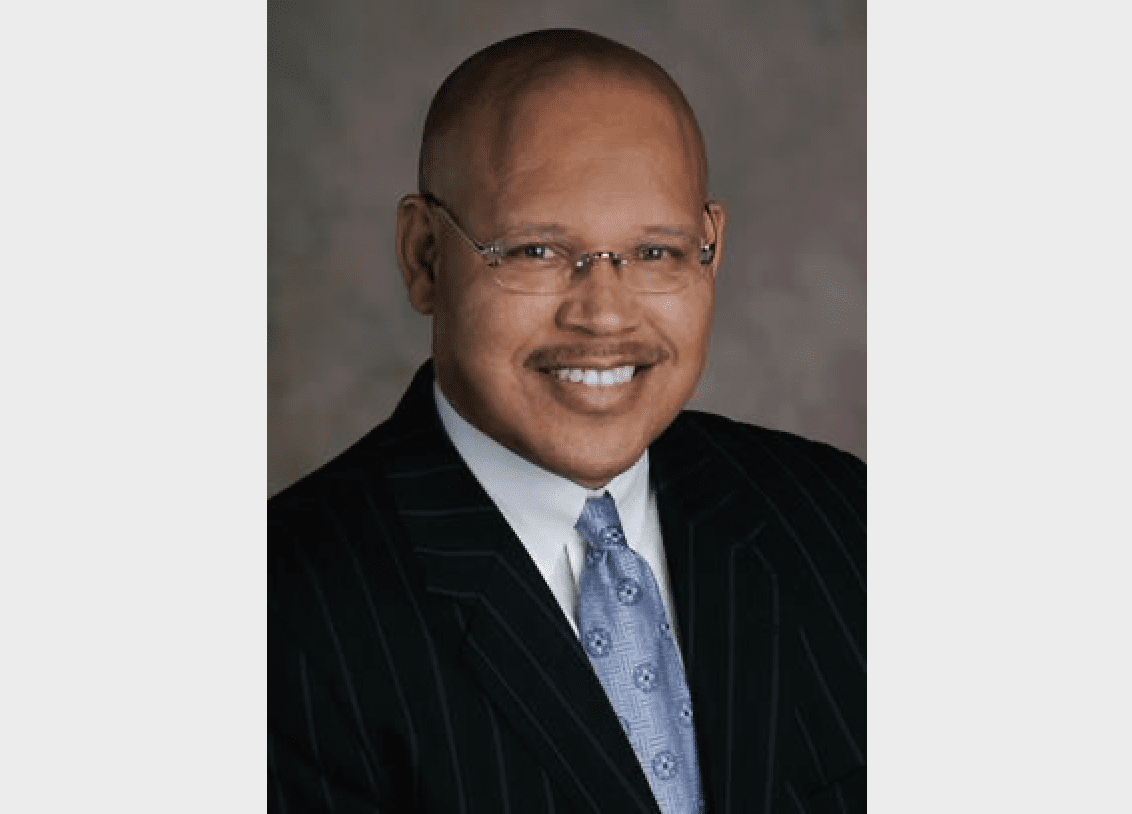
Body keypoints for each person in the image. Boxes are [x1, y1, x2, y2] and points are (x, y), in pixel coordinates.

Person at [269, 29, 864, 814]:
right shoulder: (283, 613)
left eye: (655, 253)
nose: (604, 314)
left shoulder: (841, 517)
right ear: (424, 257)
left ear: (711, 251)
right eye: (536, 251)